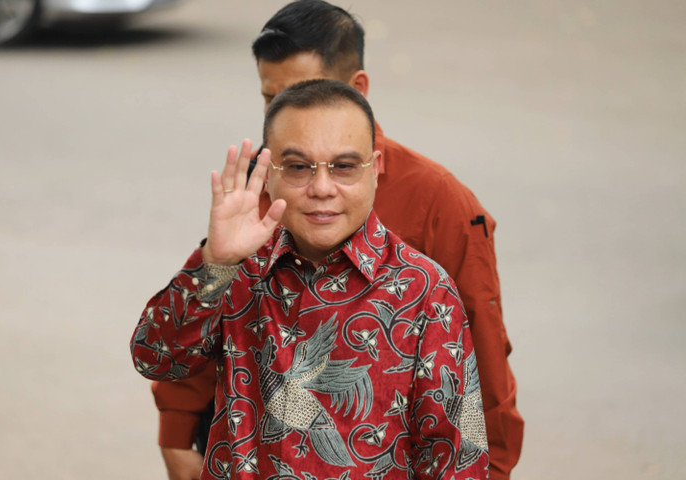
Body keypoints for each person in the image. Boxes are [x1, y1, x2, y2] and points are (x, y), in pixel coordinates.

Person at [153, 1, 523, 479]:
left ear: (356, 89)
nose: (320, 189)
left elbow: (478, 367)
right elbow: (183, 342)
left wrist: (495, 467)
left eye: (305, 92)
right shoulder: (260, 188)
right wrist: (176, 430)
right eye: (271, 98)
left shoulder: (438, 210)